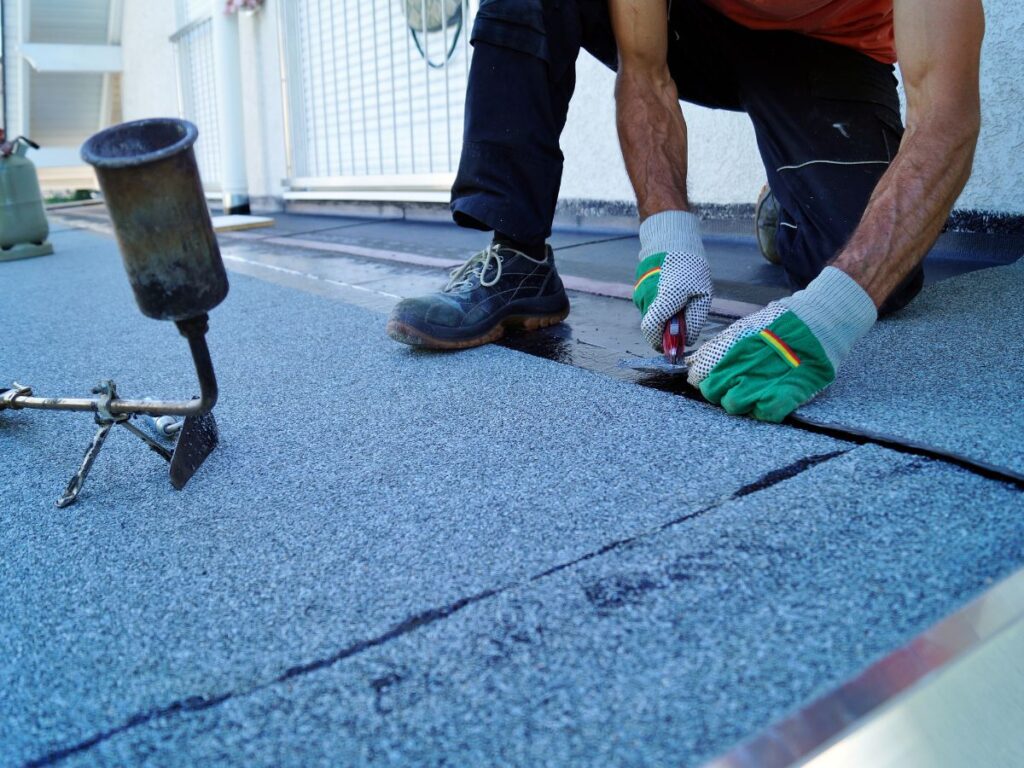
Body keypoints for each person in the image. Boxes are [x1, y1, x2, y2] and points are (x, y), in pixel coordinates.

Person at [386, 0, 984, 422]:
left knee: (887, 280)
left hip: (828, 47)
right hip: (696, 22)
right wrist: (665, 231)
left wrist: (834, 311)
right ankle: (517, 258)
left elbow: (946, 113)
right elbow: (644, 70)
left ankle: (790, 206)